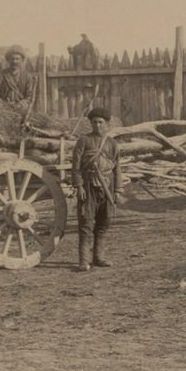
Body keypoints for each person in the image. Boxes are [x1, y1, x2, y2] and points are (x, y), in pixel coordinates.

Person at [71, 107, 123, 272]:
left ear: (107, 123)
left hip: (108, 186)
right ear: (90, 123)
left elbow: (117, 168)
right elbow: (76, 166)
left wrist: (118, 190)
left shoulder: (112, 143)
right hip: (88, 187)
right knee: (86, 224)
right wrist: (78, 186)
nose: (98, 125)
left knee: (103, 224)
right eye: (94, 122)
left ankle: (99, 258)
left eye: (101, 122)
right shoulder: (83, 141)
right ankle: (83, 261)